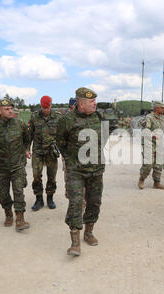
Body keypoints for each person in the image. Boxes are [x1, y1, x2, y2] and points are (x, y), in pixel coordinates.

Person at [56, 87, 105, 256]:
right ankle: (75, 242)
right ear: (81, 104)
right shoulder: (67, 120)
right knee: (76, 202)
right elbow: (60, 142)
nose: (95, 104)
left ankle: (89, 232)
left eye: (94, 101)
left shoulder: (99, 117)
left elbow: (103, 138)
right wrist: (71, 159)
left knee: (94, 202)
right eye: (91, 102)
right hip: (75, 170)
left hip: (96, 169)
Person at [0, 99, 31, 232]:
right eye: (6, 109)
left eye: (11, 108)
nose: (10, 111)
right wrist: (0, 153)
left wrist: (25, 150)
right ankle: (8, 214)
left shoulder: (20, 124)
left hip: (17, 165)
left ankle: (20, 218)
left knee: (19, 191)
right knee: (3, 193)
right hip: (1, 167)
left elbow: (27, 139)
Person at [28, 95, 61, 211]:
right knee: (36, 175)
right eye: (43, 108)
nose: (45, 110)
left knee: (52, 177)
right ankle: (39, 199)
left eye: (47, 108)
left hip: (51, 152)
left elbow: (62, 135)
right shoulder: (34, 117)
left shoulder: (58, 117)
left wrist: (61, 148)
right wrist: (27, 149)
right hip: (38, 151)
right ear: (41, 106)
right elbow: (29, 135)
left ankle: (50, 198)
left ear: (51, 105)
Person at [138, 100, 164, 190]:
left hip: (160, 143)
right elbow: (146, 130)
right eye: (161, 107)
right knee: (148, 164)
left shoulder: (163, 118)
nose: (163, 109)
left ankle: (156, 183)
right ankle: (141, 179)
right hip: (149, 143)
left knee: (159, 164)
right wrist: (153, 135)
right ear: (156, 108)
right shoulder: (149, 117)